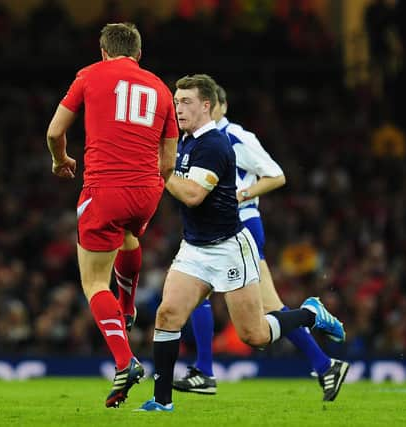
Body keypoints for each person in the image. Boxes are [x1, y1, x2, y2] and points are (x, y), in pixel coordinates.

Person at [137, 74, 345, 412]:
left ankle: (310, 313)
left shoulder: (220, 143)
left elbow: (192, 195)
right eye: (176, 102)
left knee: (256, 335)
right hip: (194, 247)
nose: (178, 108)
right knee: (169, 312)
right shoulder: (186, 141)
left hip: (230, 245)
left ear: (208, 106)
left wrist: (162, 172)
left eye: (185, 101)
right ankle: (163, 401)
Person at [46, 22, 178, 408]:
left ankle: (125, 361)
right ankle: (128, 306)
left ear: (104, 51)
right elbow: (167, 162)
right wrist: (150, 188)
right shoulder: (160, 88)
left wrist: (60, 161)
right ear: (138, 54)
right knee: (129, 238)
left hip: (105, 188)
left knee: (93, 282)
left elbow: (55, 132)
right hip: (147, 190)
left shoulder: (90, 74)